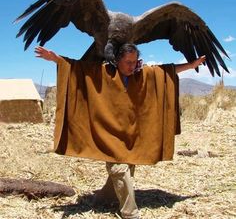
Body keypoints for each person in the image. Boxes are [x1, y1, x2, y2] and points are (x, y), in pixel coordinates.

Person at [35, 44, 205, 219]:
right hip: (108, 134)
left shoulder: (142, 74)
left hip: (129, 134)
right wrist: (55, 59)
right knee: (119, 168)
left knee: (127, 166)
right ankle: (130, 213)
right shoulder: (102, 73)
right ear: (117, 61)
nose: (132, 66)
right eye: (128, 62)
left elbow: (166, 71)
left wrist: (191, 66)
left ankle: (104, 198)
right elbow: (77, 69)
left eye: (135, 62)